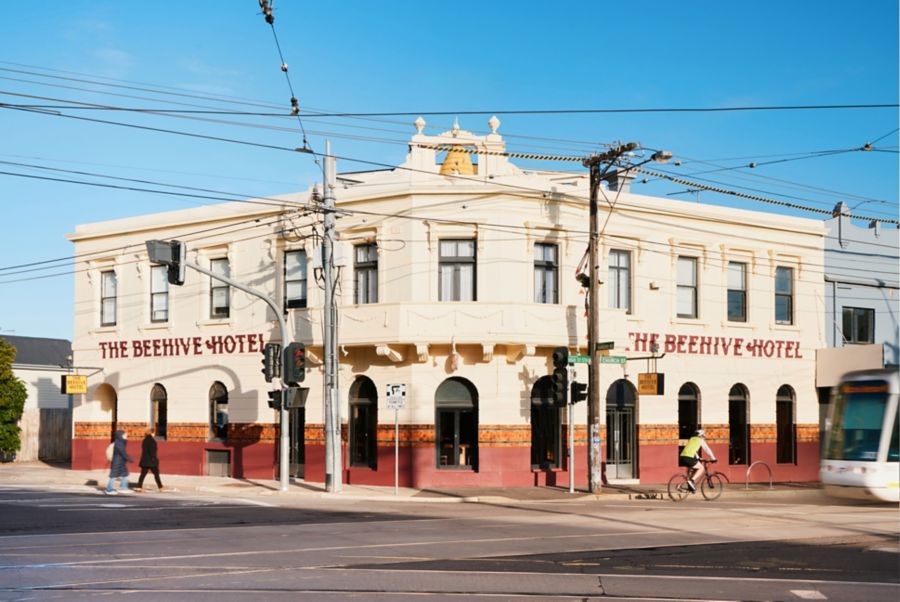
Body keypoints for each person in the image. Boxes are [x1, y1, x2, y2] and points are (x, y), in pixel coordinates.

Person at [134, 427, 170, 492]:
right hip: (151, 461)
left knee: (143, 474)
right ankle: (160, 487)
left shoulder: (144, 440)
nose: (154, 434)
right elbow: (152, 451)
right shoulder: (152, 441)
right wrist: (154, 459)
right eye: (154, 433)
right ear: (152, 433)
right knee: (156, 474)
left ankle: (139, 487)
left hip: (145, 460)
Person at [106, 430, 132, 495]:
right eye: (125, 435)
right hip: (117, 461)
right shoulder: (119, 443)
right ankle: (109, 489)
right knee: (114, 475)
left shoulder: (121, 442)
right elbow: (122, 452)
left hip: (121, 461)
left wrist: (127, 458)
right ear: (120, 436)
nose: (126, 436)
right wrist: (129, 458)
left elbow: (123, 452)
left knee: (124, 474)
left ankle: (123, 487)